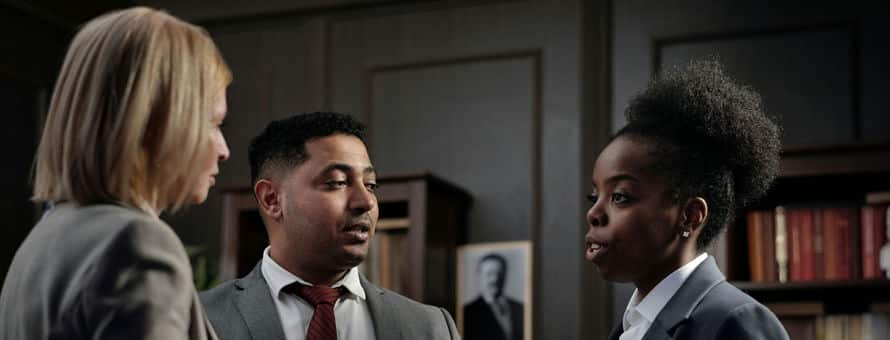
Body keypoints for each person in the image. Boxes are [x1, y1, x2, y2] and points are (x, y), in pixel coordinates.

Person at [0, 7, 231, 340]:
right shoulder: (138, 244)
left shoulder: (44, 238)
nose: (224, 150)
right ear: (158, 124)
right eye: (214, 123)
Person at [200, 112, 460, 340]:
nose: (366, 201)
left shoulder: (430, 328)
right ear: (272, 199)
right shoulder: (202, 320)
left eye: (370, 185)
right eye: (337, 182)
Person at [584, 60, 789, 340]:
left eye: (619, 197)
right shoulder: (628, 328)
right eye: (594, 196)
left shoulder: (735, 321)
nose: (594, 213)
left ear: (690, 216)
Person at [463, 253, 524, 340]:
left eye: (499, 274)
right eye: (489, 274)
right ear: (479, 276)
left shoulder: (520, 308)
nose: (495, 279)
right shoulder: (468, 312)